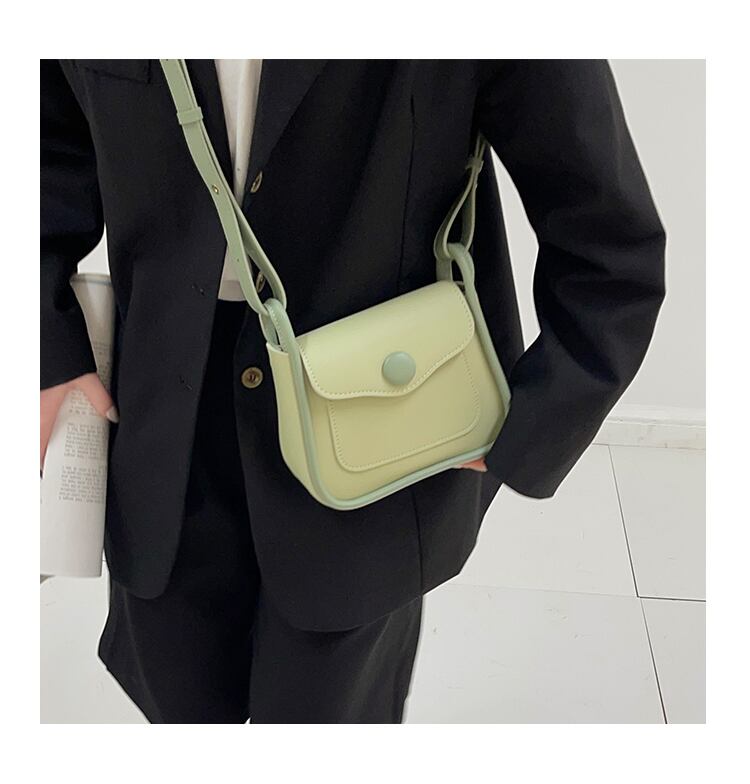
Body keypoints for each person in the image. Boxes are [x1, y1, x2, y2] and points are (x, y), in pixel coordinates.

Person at [40, 59, 666, 723]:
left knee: (331, 707)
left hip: (380, 416)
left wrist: (540, 416)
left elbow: (606, 232)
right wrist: (46, 345)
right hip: (161, 414)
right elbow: (44, 144)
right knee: (177, 689)